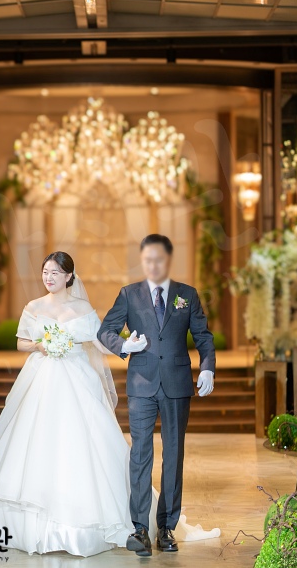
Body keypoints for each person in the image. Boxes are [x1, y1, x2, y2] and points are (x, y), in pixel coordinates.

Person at [0, 251, 136, 557]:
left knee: (82, 440)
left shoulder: (83, 308)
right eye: (45, 272)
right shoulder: (34, 306)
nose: (49, 277)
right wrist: (40, 344)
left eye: (55, 273)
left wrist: (125, 345)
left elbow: (98, 342)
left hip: (76, 377)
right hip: (41, 377)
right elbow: (21, 342)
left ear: (69, 276)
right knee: (32, 438)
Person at [98, 235, 216, 556]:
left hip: (177, 384)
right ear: (143, 260)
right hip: (141, 384)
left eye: (159, 259)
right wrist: (124, 345)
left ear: (168, 260)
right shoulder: (129, 294)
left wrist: (207, 368)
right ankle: (140, 528)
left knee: (174, 454)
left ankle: (166, 527)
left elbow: (203, 336)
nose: (153, 264)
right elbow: (105, 331)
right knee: (141, 454)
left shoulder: (187, 295)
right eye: (147, 259)